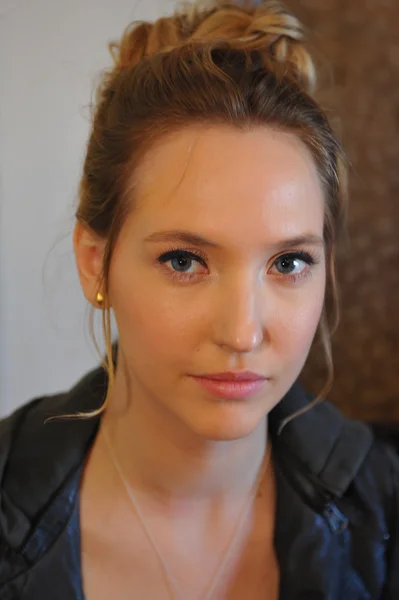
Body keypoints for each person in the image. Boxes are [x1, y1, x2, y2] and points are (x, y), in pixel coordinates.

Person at [0, 1, 398, 598]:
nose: (242, 332)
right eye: (184, 261)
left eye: (288, 262)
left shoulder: (386, 509)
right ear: (94, 262)